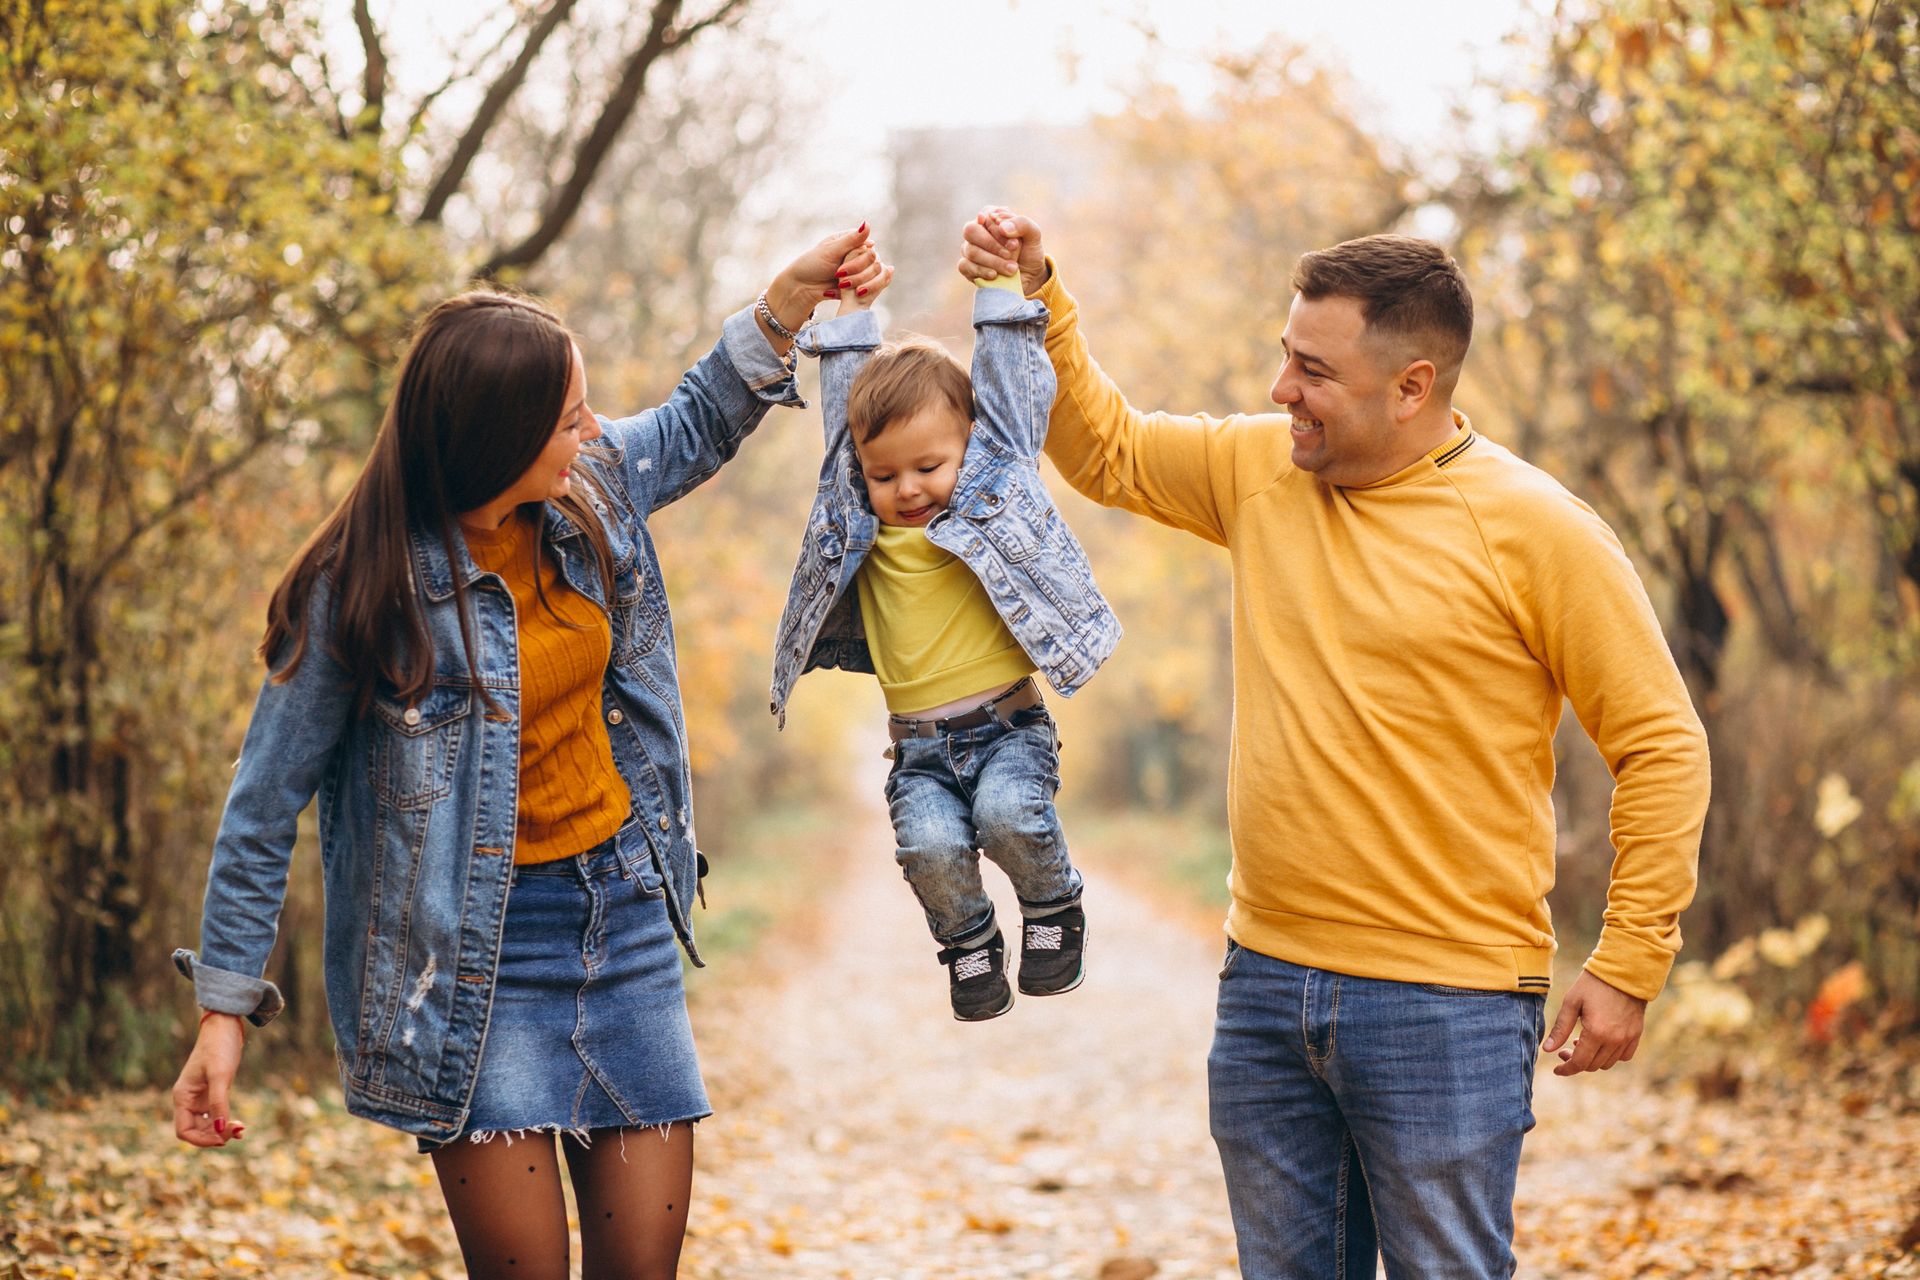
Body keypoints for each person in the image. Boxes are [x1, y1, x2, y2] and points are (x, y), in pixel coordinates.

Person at [959, 208, 1711, 1278]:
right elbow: (1109, 451)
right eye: (1283, 357)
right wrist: (1040, 297)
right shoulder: (1263, 471)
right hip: (1266, 982)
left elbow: (1662, 742)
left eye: (1312, 370)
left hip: (1446, 1000)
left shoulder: (1538, 529)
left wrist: (1631, 960)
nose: (1280, 391)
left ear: (1412, 385)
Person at [168, 223, 883, 1280]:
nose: (590, 429)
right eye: (566, 416)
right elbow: (263, 805)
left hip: (624, 918)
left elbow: (693, 424)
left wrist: (783, 309)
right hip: (472, 959)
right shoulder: (357, 590)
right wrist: (225, 1010)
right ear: (495, 439)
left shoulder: (586, 492)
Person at [768, 246, 1120, 1021]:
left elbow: (1013, 389)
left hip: (1008, 729)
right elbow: (844, 408)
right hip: (918, 749)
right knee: (926, 850)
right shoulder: (856, 511)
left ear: (969, 448)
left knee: (1007, 817)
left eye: (929, 466)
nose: (908, 488)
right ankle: (968, 941)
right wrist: (852, 309)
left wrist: (999, 286)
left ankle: (1054, 906)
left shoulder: (993, 487)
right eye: (886, 474)